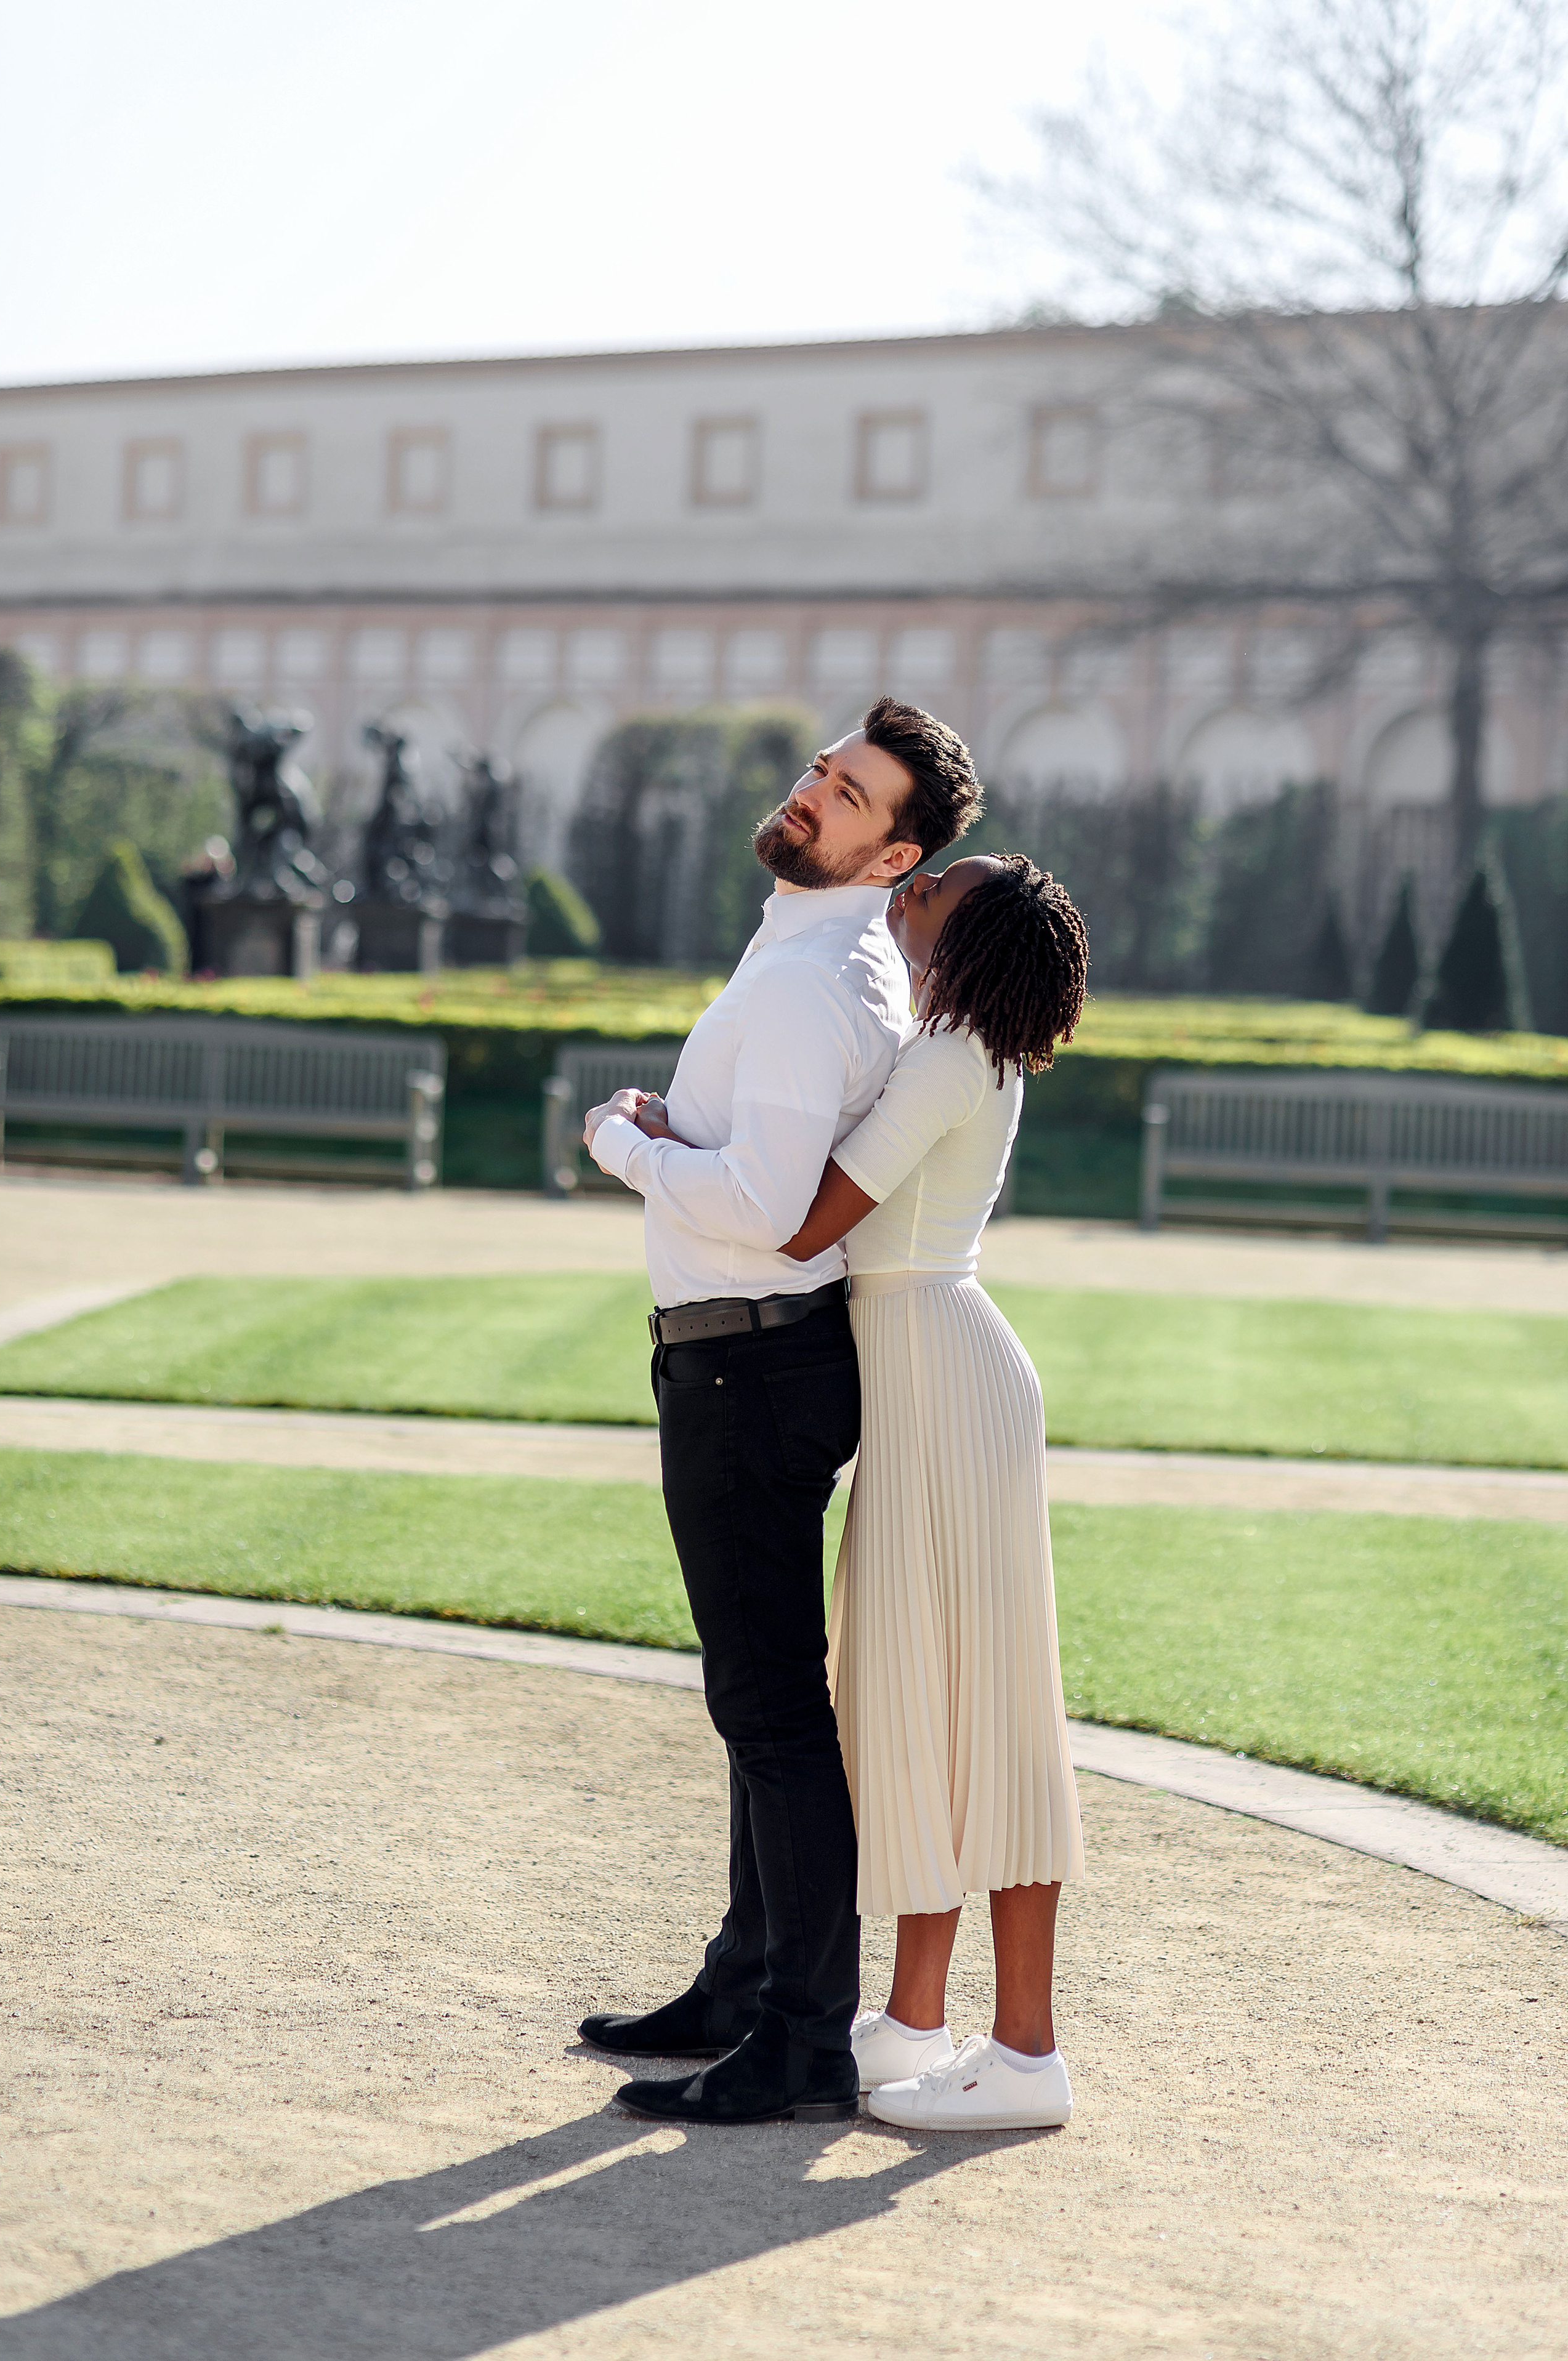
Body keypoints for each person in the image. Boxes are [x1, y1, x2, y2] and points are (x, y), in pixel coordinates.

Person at [576, 697, 983, 2128]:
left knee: (767, 1709)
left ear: (893, 857)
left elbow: (773, 1217)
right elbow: (766, 1171)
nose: (813, 791)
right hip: (745, 1361)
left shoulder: (816, 989)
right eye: (822, 768)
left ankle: (803, 2035)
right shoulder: (801, 955)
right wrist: (687, 1142)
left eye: (850, 792)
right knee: (759, 1701)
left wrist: (625, 1145)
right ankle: (747, 1981)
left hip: (750, 1365)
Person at [772, 849, 1090, 2131]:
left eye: (928, 897)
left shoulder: (949, 1056)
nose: (904, 902)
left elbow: (807, 1221)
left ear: (968, 946)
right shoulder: (960, 1046)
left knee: (987, 1721)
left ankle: (1023, 2055)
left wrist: (668, 1144)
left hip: (945, 1390)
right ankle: (911, 2022)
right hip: (933, 1388)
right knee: (914, 1704)